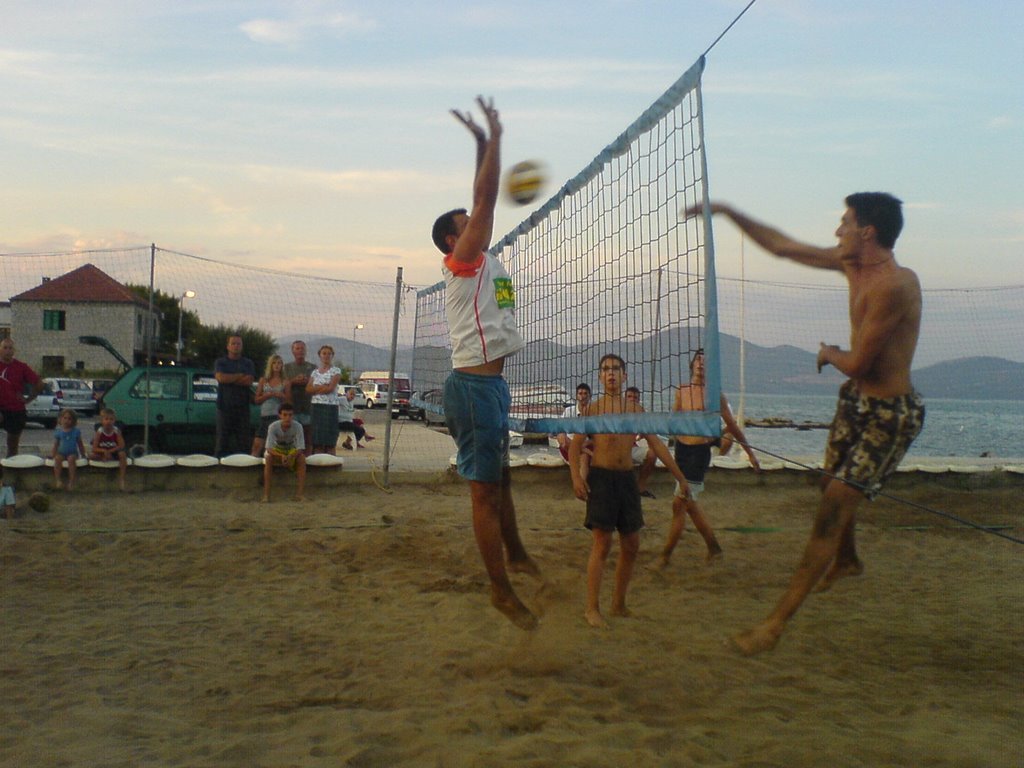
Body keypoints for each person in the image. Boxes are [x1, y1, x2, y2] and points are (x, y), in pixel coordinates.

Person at [687, 193, 924, 655]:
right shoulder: (850, 266)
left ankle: (772, 626)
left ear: (867, 232)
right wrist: (732, 212)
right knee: (827, 487)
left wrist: (827, 353)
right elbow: (783, 247)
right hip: (856, 401)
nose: (838, 231)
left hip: (891, 416)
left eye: (845, 223)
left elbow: (857, 362)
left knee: (830, 511)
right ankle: (849, 559)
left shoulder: (897, 285)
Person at [432, 95, 541, 631]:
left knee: (500, 477)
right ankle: (500, 589)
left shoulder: (483, 258)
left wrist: (479, 143)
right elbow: (486, 197)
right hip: (473, 389)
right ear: (455, 240)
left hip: (492, 387)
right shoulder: (463, 261)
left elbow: (479, 194)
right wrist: (497, 137)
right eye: (466, 221)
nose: (475, 220)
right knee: (484, 489)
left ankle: (516, 554)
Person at [569, 354, 691, 629]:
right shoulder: (594, 410)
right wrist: (576, 476)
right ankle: (591, 609)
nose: (610, 374)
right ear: (600, 377)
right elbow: (576, 445)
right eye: (605, 370)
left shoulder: (636, 410)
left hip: (626, 480)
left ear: (625, 376)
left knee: (632, 544)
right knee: (602, 543)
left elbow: (656, 444)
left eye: (615, 369)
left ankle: (619, 604)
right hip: (601, 478)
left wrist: (680, 477)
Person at [658, 348, 761, 567]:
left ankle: (664, 557)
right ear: (692, 364)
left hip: (699, 454)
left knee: (679, 505)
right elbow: (673, 423)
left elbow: (732, 425)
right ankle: (714, 548)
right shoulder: (682, 391)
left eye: (706, 360)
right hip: (682, 452)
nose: (702, 363)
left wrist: (750, 454)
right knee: (690, 505)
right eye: (698, 359)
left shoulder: (715, 394)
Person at [0, 338, 44, 457]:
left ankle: (12, 468)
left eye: (10, 348)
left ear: (14, 351)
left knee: (13, 444)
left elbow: (39, 383)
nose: (8, 351)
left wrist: (30, 398)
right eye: (5, 348)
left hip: (15, 409)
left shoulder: (21, 367)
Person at [214, 335, 256, 457]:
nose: (236, 346)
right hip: (224, 407)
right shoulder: (220, 362)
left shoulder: (248, 363)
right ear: (228, 346)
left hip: (243, 407)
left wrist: (229, 378)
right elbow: (221, 378)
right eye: (233, 343)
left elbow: (248, 381)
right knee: (222, 440)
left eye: (238, 344)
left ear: (242, 346)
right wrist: (239, 376)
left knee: (243, 442)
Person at [262, 402, 307, 503]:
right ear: (280, 415)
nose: (288, 418)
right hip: (277, 451)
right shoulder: (273, 427)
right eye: (285, 415)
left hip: (291, 450)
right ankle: (266, 495)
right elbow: (269, 448)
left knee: (302, 458)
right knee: (268, 458)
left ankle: (299, 494)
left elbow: (300, 447)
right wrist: (281, 455)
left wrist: (291, 455)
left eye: (290, 415)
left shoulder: (298, 426)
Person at [306, 345, 341, 455]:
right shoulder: (315, 372)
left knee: (329, 437)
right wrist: (322, 387)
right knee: (318, 437)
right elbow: (308, 389)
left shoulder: (336, 371)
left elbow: (330, 388)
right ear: (320, 355)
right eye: (324, 353)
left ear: (332, 356)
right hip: (316, 406)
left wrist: (316, 389)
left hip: (330, 406)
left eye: (329, 354)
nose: (326, 356)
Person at [252, 354, 289, 457]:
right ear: (270, 365)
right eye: (274, 363)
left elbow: (289, 401)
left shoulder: (285, 382)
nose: (277, 365)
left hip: (278, 416)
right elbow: (256, 400)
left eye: (279, 363)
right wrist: (266, 396)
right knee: (257, 444)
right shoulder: (263, 380)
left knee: (275, 446)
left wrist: (281, 395)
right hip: (265, 416)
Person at [625, 386, 658, 498]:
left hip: (632, 448)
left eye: (635, 397)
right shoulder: (618, 411)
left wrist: (640, 437)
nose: (632, 399)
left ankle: (640, 487)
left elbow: (649, 432)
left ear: (638, 400)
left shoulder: (641, 413)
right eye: (629, 396)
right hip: (616, 450)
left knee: (652, 454)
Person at [284, 340, 316, 456]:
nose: (300, 351)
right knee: (292, 435)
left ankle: (307, 459)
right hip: (292, 407)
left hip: (307, 406)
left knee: (308, 436)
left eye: (302, 348)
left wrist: (307, 381)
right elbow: (283, 384)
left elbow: (316, 384)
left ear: (306, 351)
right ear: (293, 351)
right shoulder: (286, 368)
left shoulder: (313, 367)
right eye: (297, 348)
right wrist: (294, 381)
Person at [89, 407, 128, 491]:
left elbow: (121, 445)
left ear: (114, 421)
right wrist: (104, 451)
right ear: (102, 421)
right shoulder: (99, 432)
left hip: (113, 451)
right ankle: (105, 458)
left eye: (111, 419)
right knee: (91, 456)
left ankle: (122, 478)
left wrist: (110, 451)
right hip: (102, 451)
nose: (109, 421)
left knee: (122, 454)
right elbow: (94, 448)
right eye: (106, 419)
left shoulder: (116, 431)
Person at [51, 408, 85, 490]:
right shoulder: (59, 432)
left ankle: (71, 481)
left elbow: (80, 444)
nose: (67, 420)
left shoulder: (76, 431)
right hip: (61, 452)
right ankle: (58, 480)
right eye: (65, 418)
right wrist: (53, 454)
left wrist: (83, 454)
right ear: (61, 419)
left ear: (73, 421)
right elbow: (56, 444)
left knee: (71, 460)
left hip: (72, 453)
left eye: (69, 419)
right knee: (58, 459)